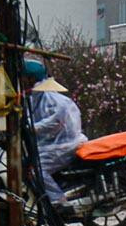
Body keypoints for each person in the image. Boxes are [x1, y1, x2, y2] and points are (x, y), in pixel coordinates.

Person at [18, 57, 85, 206]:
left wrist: (32, 128)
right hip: (52, 145)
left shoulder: (50, 98)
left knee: (37, 170)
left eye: (23, 77)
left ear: (31, 78)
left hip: (65, 145)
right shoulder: (34, 97)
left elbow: (55, 121)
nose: (21, 81)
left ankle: (59, 202)